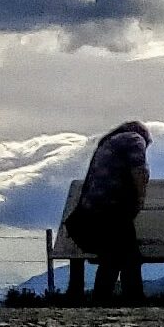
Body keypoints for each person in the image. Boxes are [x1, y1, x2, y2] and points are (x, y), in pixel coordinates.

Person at [64, 120, 151, 302]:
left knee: (114, 256)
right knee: (129, 257)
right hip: (110, 213)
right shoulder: (135, 139)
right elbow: (139, 171)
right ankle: (133, 299)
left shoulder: (108, 142)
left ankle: (103, 299)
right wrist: (139, 201)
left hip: (88, 217)